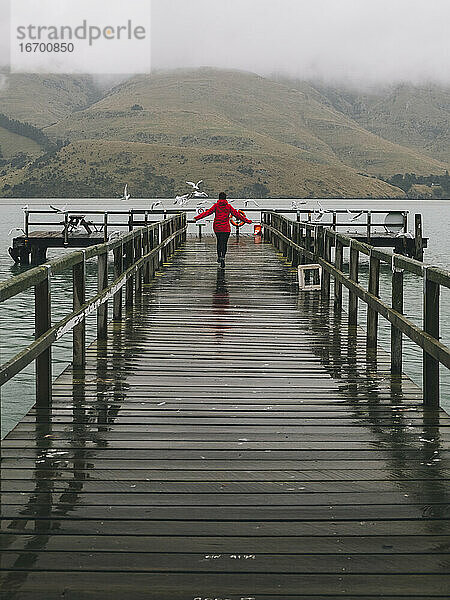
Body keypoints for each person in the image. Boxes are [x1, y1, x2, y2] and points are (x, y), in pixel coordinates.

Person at [194, 192, 252, 268]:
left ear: (219, 198)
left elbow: (207, 213)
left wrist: (197, 218)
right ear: (225, 198)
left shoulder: (216, 206)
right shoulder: (228, 206)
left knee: (219, 242)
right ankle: (223, 258)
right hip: (226, 228)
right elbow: (237, 215)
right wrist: (247, 221)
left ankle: (219, 257)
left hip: (217, 228)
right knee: (224, 243)